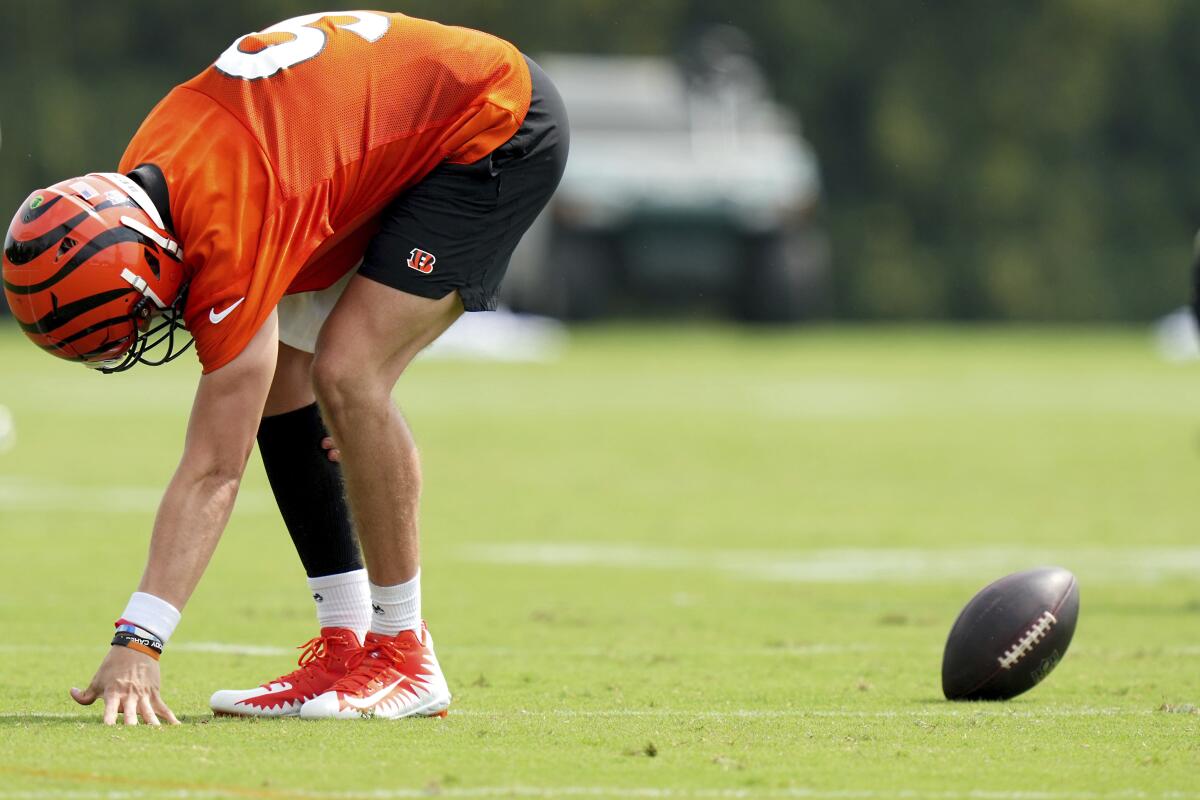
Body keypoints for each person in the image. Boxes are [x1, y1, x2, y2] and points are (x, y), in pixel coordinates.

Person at [0, 10, 568, 725]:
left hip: (493, 121)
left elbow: (213, 468)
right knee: (282, 385)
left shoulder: (225, 223)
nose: (152, 328)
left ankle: (405, 656)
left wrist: (139, 641)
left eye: (139, 317)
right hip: (381, 131)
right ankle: (346, 643)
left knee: (348, 375)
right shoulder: (154, 175)